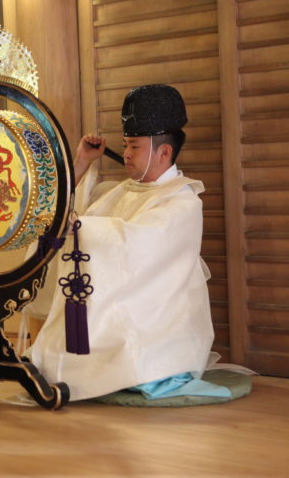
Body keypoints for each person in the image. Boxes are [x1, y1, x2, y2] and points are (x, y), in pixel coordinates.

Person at [26, 84, 226, 401]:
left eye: (134, 147)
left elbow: (133, 246)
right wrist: (82, 162)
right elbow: (65, 213)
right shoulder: (123, 190)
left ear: (164, 152)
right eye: (125, 146)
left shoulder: (183, 201)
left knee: (87, 357)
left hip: (156, 317)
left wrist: (80, 228)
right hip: (120, 301)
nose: (127, 155)